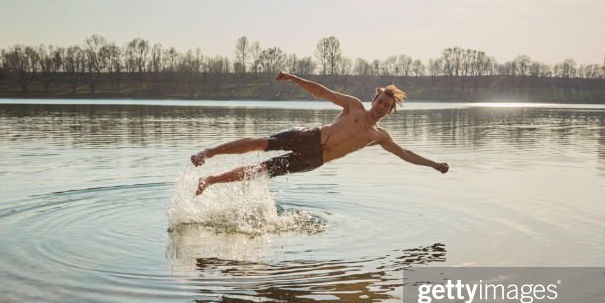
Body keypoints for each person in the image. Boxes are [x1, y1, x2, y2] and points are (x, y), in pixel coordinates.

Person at [192, 71, 449, 195]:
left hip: (313, 160)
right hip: (310, 136)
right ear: (375, 99)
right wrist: (294, 78)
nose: (382, 107)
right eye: (381, 101)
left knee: (261, 171)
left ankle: (212, 180)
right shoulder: (354, 106)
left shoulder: (379, 136)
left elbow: (405, 153)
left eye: (387, 106)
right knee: (263, 142)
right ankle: (209, 152)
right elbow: (323, 92)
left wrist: (434, 164)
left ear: (390, 111)